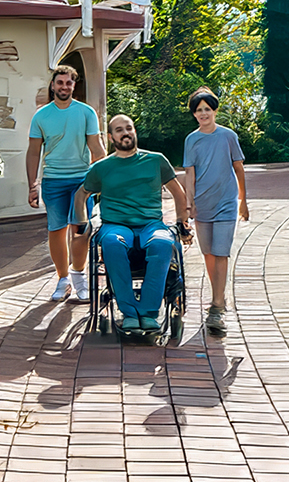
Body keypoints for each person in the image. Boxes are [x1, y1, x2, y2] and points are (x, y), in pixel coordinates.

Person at [84, 114, 191, 332]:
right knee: (112, 244)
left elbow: (179, 194)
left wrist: (182, 223)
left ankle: (148, 313)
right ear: (111, 137)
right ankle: (129, 312)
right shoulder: (102, 167)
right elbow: (81, 194)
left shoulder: (155, 160)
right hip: (115, 224)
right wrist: (80, 224)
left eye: (129, 128)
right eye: (119, 130)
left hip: (150, 224)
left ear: (134, 131)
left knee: (162, 243)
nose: (125, 133)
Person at [26, 65, 102, 302]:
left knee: (80, 232)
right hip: (53, 181)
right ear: (53, 85)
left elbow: (97, 150)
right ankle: (63, 279)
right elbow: (33, 153)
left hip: (81, 181)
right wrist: (32, 185)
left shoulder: (86, 113)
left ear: (73, 86)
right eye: (60, 82)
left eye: (68, 83)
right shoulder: (41, 116)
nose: (64, 87)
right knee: (56, 230)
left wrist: (103, 180)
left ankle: (79, 278)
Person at [181, 87, 248, 333]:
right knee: (208, 253)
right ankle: (218, 294)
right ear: (194, 114)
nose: (203, 114)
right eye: (198, 111)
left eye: (207, 109)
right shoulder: (191, 139)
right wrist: (190, 203)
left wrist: (244, 200)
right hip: (203, 203)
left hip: (226, 202)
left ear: (215, 110)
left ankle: (217, 306)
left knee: (221, 252)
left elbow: (239, 168)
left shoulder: (228, 136)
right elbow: (190, 172)